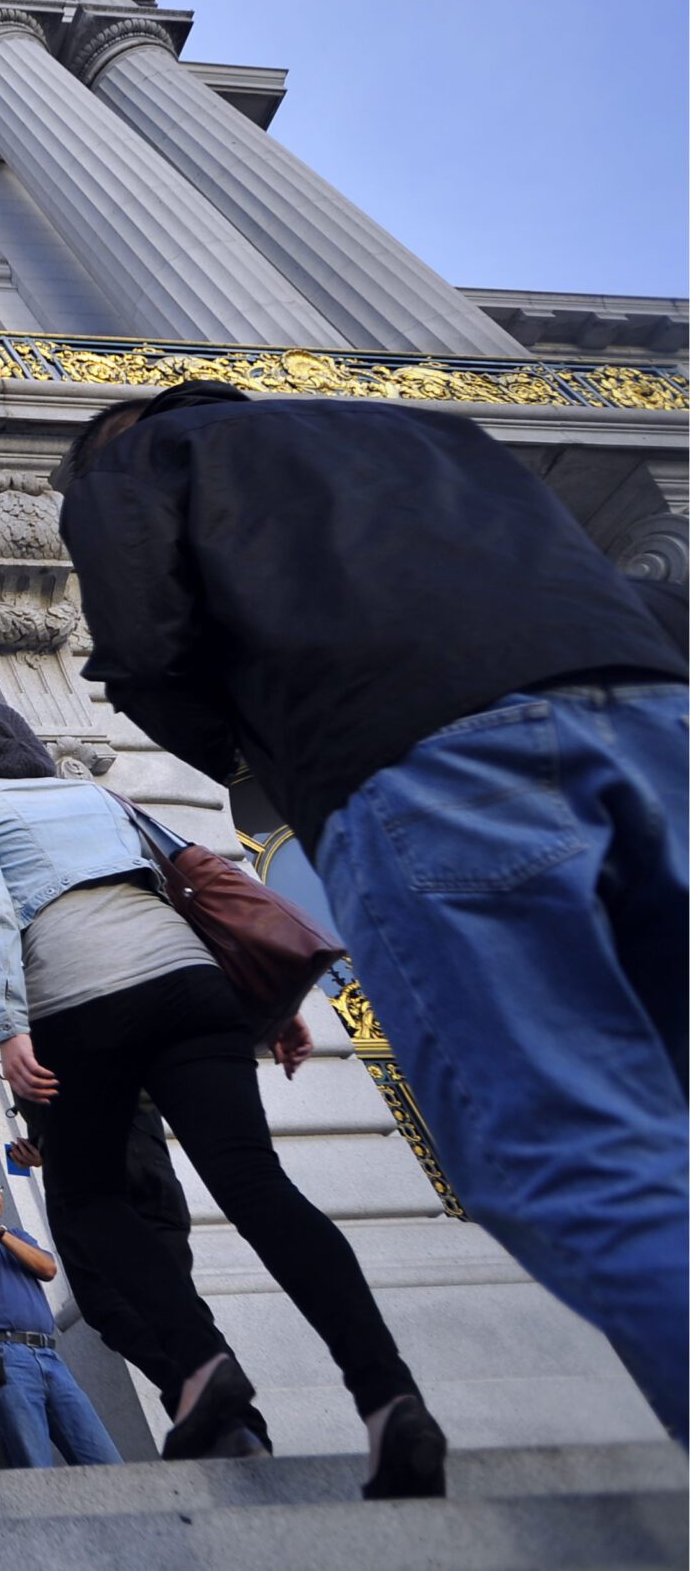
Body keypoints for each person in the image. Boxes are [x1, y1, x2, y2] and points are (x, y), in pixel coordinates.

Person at [57, 380, 688, 1443]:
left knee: (565, 1138)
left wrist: (259, 753)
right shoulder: (432, 426)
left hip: (429, 755)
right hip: (653, 722)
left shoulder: (138, 458)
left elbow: (143, 636)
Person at [0, 702, 442, 1499]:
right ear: (33, 751)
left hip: (80, 999)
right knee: (259, 1186)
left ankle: (203, 1369)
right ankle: (390, 1398)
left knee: (90, 1199)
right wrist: (268, 1011)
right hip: (191, 986)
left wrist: (9, 1025)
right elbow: (200, 885)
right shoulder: (99, 798)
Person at [0, 1011, 272, 1452]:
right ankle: (234, 1424)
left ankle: (204, 1402)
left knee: (108, 1304)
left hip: (98, 1188)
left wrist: (5, 1010)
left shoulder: (40, 1001)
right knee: (177, 1305)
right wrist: (44, 1149)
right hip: (150, 1175)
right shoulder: (121, 1007)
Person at [0, 1170, 120, 1469]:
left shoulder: (14, 1236)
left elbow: (48, 1268)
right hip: (1, 1356)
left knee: (102, 1457)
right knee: (33, 1463)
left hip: (49, 1355)